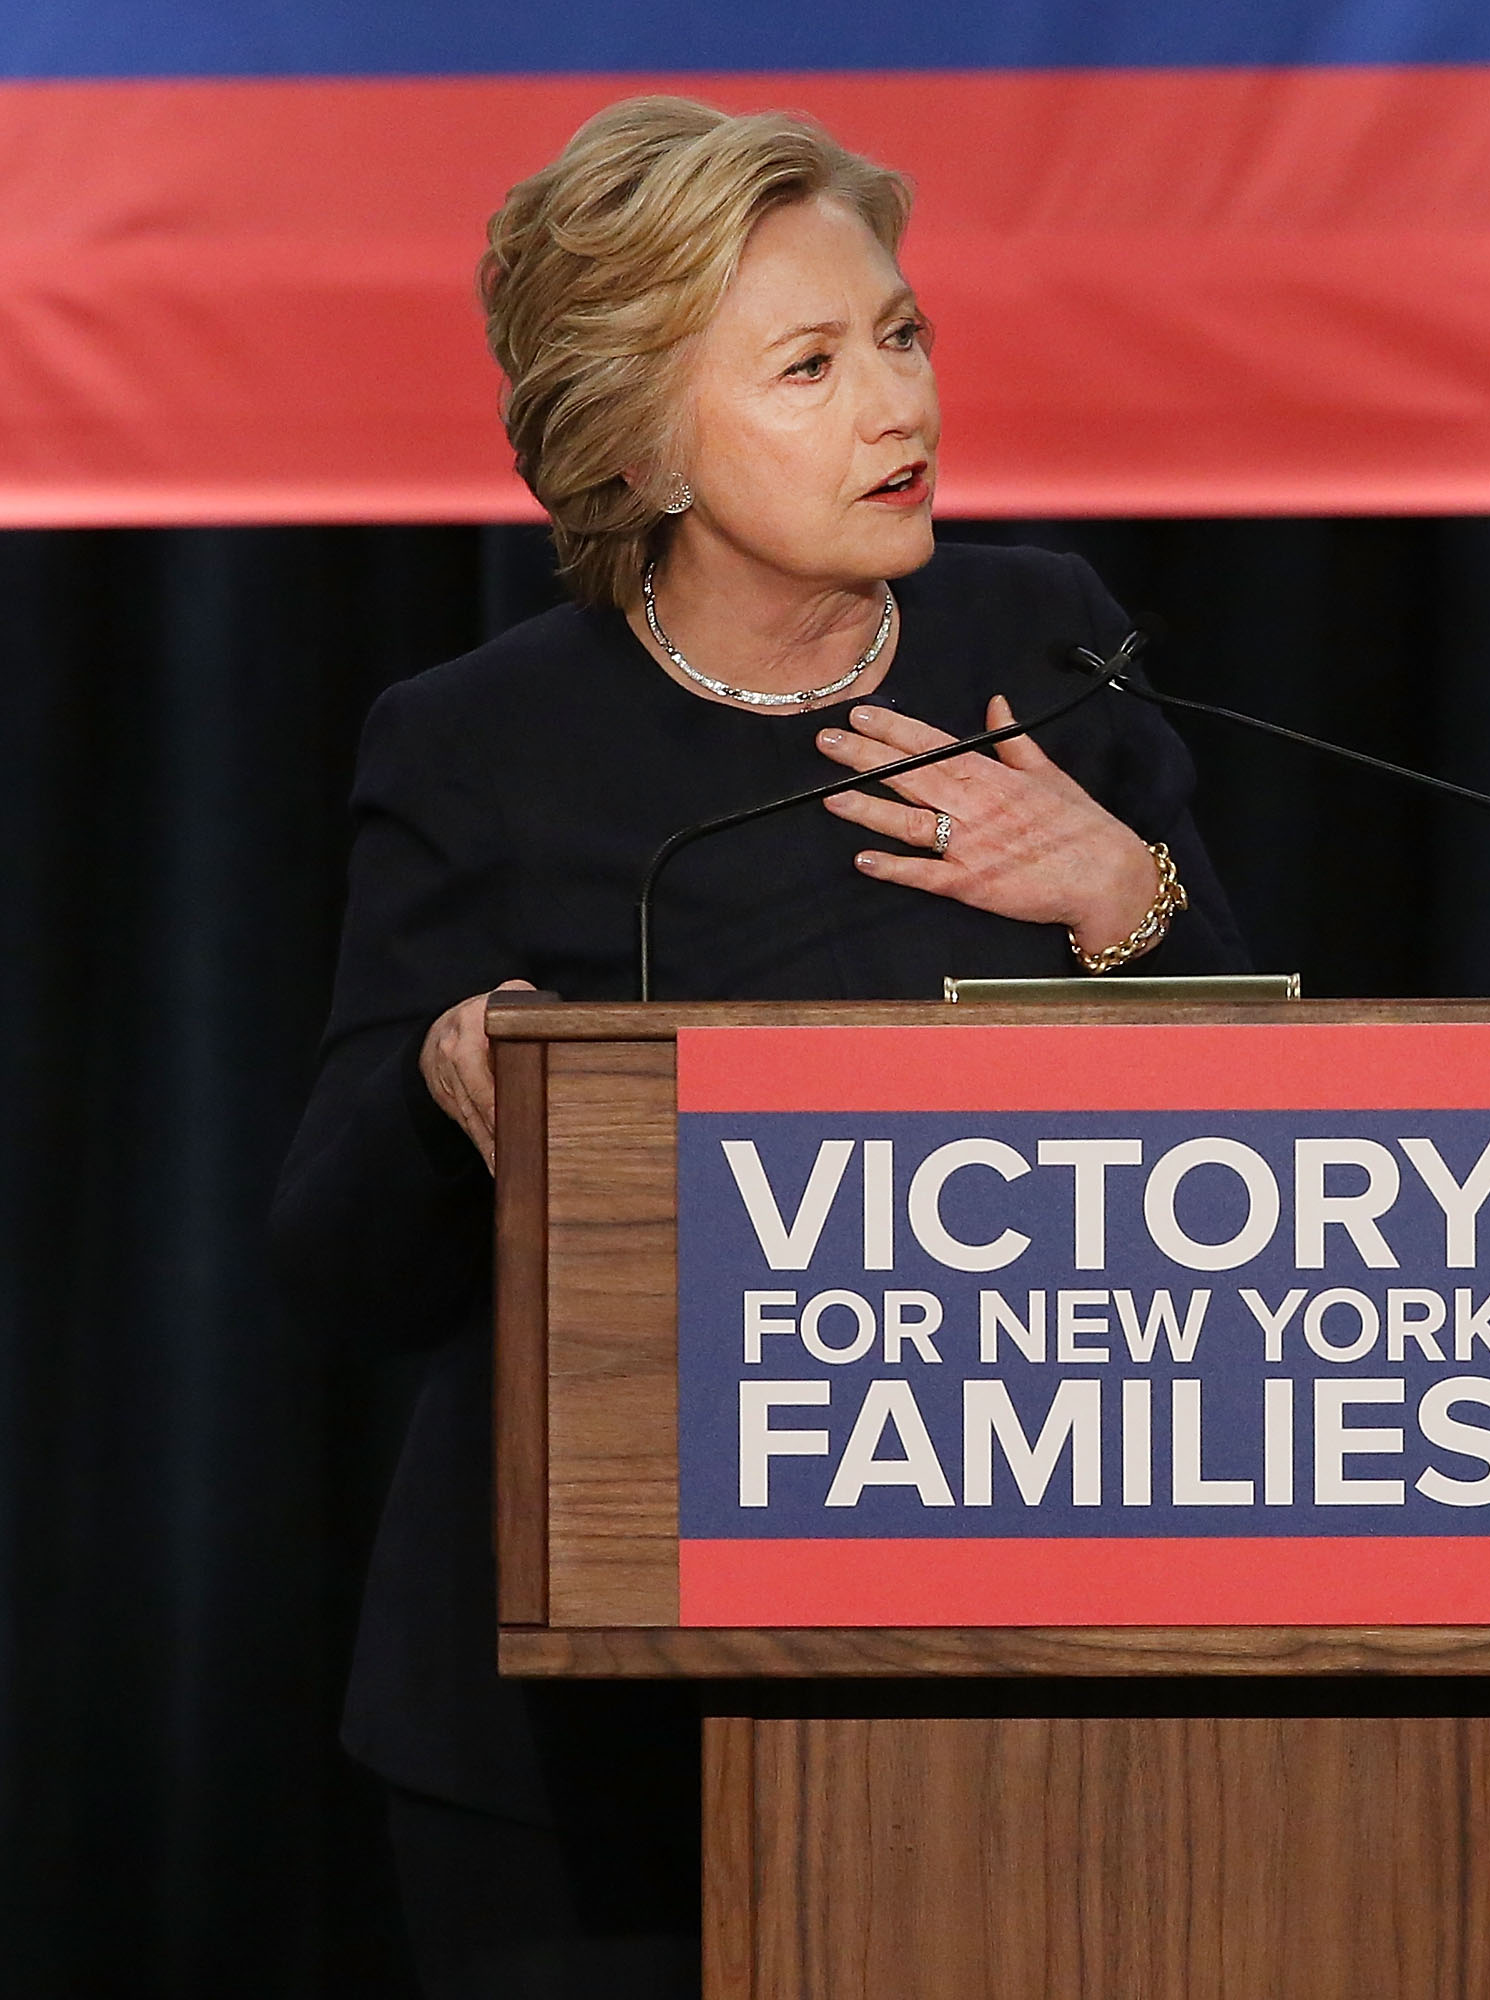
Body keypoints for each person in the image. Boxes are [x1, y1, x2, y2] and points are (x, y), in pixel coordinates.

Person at [269, 98, 1249, 1995]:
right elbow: (335, 1270)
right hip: (580, 1720)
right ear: (639, 436)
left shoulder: (1046, 645)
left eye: (902, 334)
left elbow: (1276, 1165)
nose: (900, 406)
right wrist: (441, 1085)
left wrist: (1128, 901)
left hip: (1026, 1664)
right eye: (811, 364)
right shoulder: (483, 742)